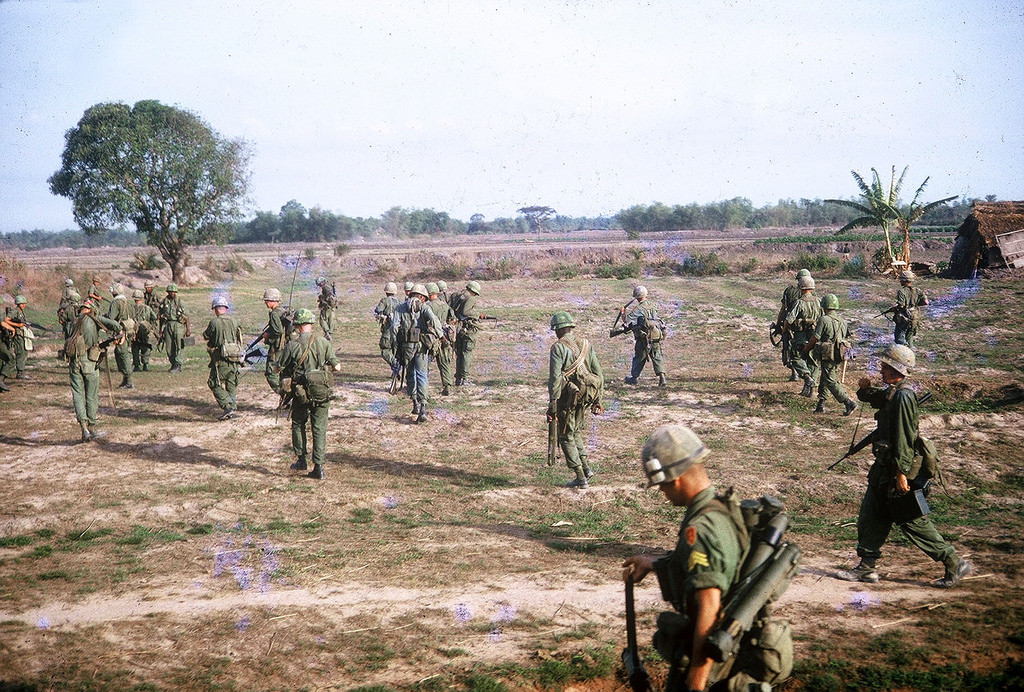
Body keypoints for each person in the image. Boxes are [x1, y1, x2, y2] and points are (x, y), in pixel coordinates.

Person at [622, 425, 792, 691]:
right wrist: (654, 565)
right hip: (728, 649)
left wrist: (696, 681)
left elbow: (709, 608)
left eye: (661, 486)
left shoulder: (701, 529)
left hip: (714, 660)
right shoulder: (719, 509)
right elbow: (715, 567)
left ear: (674, 480)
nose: (661, 493)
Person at [836, 344, 972, 588]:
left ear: (895, 368)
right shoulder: (893, 392)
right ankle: (867, 567)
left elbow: (904, 439)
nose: (881, 368)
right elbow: (877, 399)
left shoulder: (903, 396)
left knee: (911, 520)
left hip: (897, 468)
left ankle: (953, 562)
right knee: (872, 513)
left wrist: (901, 474)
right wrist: (864, 391)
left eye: (885, 366)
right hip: (884, 468)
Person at [279, 308, 340, 479]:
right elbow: (337, 367)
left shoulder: (292, 345)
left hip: (300, 393)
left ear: (297, 325)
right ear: (312, 324)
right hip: (321, 392)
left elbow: (278, 367)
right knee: (319, 428)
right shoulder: (324, 342)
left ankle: (301, 460)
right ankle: (319, 467)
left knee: (298, 423)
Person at [547, 311, 603, 489]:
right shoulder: (586, 344)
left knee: (565, 435)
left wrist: (552, 404)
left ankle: (580, 476)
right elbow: (598, 373)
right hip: (588, 394)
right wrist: (598, 399)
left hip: (569, 397)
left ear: (558, 330)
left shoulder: (558, 347)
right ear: (570, 327)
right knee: (575, 429)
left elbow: (555, 378)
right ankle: (586, 468)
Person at [65, 299, 122, 441]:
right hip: (89, 361)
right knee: (91, 395)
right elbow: (115, 325)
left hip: (74, 362)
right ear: (91, 309)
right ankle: (91, 427)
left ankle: (84, 429)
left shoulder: (72, 321)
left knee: (77, 394)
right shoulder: (93, 318)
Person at [390, 284, 443, 422]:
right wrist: (441, 335)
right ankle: (423, 407)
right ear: (421, 297)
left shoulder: (400, 308)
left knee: (411, 374)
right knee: (422, 374)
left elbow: (393, 329)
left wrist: (395, 347)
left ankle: (415, 404)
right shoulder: (424, 307)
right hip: (421, 347)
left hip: (406, 348)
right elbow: (434, 321)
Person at [804, 293, 857, 416]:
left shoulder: (823, 319)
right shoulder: (843, 321)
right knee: (825, 377)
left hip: (828, 353)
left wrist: (807, 349)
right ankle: (821, 404)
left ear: (824, 306)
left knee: (830, 379)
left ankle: (848, 402)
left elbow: (815, 338)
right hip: (840, 353)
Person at [203, 296, 242, 420]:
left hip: (221, 359)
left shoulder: (214, 322)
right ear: (226, 308)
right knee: (231, 382)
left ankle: (227, 406)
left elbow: (207, 335)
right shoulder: (235, 321)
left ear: (215, 309)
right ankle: (232, 405)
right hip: (235, 357)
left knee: (214, 382)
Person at [620, 285, 667, 387]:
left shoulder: (638, 308)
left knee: (639, 356)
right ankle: (662, 377)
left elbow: (627, 320)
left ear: (636, 297)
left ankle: (634, 378)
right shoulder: (653, 305)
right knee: (657, 355)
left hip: (644, 336)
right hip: (655, 335)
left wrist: (623, 313)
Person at [784, 274, 821, 397]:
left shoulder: (799, 303)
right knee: (813, 361)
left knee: (796, 357)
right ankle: (811, 391)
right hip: (814, 335)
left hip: (800, 335)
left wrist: (785, 330)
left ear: (800, 287)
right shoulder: (818, 301)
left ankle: (806, 376)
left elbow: (789, 320)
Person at [775, 269, 809, 382]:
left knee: (788, 348)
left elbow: (783, 308)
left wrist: (778, 323)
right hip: (806, 327)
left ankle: (795, 373)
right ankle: (805, 373)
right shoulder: (811, 293)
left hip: (789, 323)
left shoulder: (789, 290)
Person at [450, 280, 482, 386]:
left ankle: (459, 378)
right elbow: (466, 312)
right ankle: (465, 378)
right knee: (466, 353)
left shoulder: (458, 295)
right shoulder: (470, 298)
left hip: (459, 328)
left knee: (460, 354)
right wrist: (477, 314)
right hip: (468, 330)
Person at [426, 282, 455, 396]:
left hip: (432, 337)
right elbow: (452, 319)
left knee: (425, 361)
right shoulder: (445, 305)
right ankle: (447, 385)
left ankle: (423, 385)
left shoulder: (428, 306)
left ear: (430, 294)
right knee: (444, 362)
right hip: (444, 336)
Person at [104, 283, 135, 388]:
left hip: (120, 332)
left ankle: (129, 381)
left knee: (122, 355)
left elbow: (111, 318)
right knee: (122, 354)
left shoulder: (116, 302)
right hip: (127, 330)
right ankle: (126, 380)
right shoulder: (126, 301)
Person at [260, 287, 290, 395]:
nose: (265, 303)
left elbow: (277, 331)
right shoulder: (282, 310)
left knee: (271, 373)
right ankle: (286, 398)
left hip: (277, 348)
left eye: (266, 301)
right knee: (283, 372)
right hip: (286, 346)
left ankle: (285, 395)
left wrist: (268, 337)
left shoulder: (274, 314)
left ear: (270, 301)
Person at [158, 284, 189, 372]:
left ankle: (178, 364)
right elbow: (161, 316)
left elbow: (186, 316)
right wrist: (160, 330)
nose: (172, 293)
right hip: (168, 325)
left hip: (179, 325)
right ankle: (173, 364)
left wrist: (188, 329)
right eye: (170, 292)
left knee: (179, 345)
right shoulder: (164, 302)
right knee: (169, 346)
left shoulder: (180, 302)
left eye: (174, 292)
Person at [893, 270, 928, 348]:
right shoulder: (918, 290)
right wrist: (915, 304)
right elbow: (926, 302)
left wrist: (894, 308)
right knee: (910, 336)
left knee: (899, 336)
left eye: (901, 279)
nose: (900, 281)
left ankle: (901, 354)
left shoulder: (901, 291)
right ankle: (911, 350)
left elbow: (901, 305)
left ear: (904, 281)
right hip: (915, 316)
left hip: (904, 317)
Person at [373, 282, 401, 376]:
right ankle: (395, 370)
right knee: (395, 350)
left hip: (388, 330)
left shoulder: (384, 300)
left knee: (385, 350)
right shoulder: (399, 302)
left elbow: (378, 310)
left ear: (386, 292)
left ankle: (394, 365)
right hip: (397, 331)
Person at [3, 295, 30, 380]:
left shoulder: (20, 311)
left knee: (24, 352)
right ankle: (20, 372)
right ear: (19, 304)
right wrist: (17, 325)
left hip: (21, 334)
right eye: (22, 304)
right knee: (20, 352)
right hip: (18, 335)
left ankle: (21, 370)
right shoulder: (15, 311)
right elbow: (6, 320)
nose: (24, 305)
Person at [131, 289, 158, 372]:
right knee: (145, 347)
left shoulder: (131, 308)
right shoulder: (147, 308)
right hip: (145, 330)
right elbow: (154, 317)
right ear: (142, 298)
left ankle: (136, 366)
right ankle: (145, 365)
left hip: (134, 330)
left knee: (135, 348)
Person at [314, 276, 337, 340]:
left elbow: (328, 296)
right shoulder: (330, 286)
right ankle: (330, 333)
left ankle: (327, 333)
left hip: (327, 306)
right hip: (332, 306)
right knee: (331, 319)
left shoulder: (326, 288)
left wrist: (322, 300)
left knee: (322, 319)